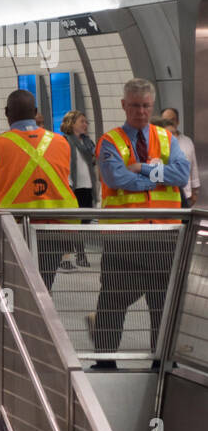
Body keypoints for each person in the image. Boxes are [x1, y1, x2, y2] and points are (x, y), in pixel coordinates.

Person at [87, 80, 190, 370]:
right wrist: (158, 175)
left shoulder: (166, 138)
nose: (141, 112)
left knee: (162, 302)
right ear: (124, 105)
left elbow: (182, 174)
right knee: (113, 300)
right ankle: (105, 361)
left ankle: (162, 360)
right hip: (124, 235)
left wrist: (142, 168)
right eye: (134, 105)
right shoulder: (110, 141)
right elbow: (116, 179)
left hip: (163, 233)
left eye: (145, 106)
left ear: (152, 105)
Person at [0, 90, 76, 290]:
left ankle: (15, 320)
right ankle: (39, 319)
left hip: (10, 231)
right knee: (43, 287)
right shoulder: (61, 142)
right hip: (53, 231)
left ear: (6, 113)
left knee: (12, 287)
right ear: (35, 112)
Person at [61, 110, 97, 268]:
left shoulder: (88, 143)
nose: (85, 124)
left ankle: (78, 254)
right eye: (82, 121)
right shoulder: (64, 142)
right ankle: (77, 255)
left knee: (84, 222)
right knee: (72, 224)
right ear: (72, 123)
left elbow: (93, 162)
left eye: (86, 122)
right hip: (71, 187)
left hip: (87, 186)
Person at [159, 108, 199, 207]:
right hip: (165, 196)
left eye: (172, 120)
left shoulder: (187, 141)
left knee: (185, 222)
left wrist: (195, 191)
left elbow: (193, 167)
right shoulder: (156, 142)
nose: (169, 123)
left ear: (177, 121)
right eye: (166, 120)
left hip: (187, 194)